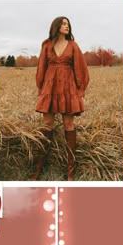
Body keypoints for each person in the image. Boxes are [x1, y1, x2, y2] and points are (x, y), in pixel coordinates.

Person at [31, 16, 89, 181]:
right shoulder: (47, 45)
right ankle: (39, 168)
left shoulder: (73, 46)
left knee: (69, 125)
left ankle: (70, 170)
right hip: (50, 88)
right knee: (47, 125)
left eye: (68, 24)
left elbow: (81, 69)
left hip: (67, 89)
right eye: (63, 24)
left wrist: (80, 90)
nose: (67, 26)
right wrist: (41, 89)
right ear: (56, 26)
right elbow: (41, 67)